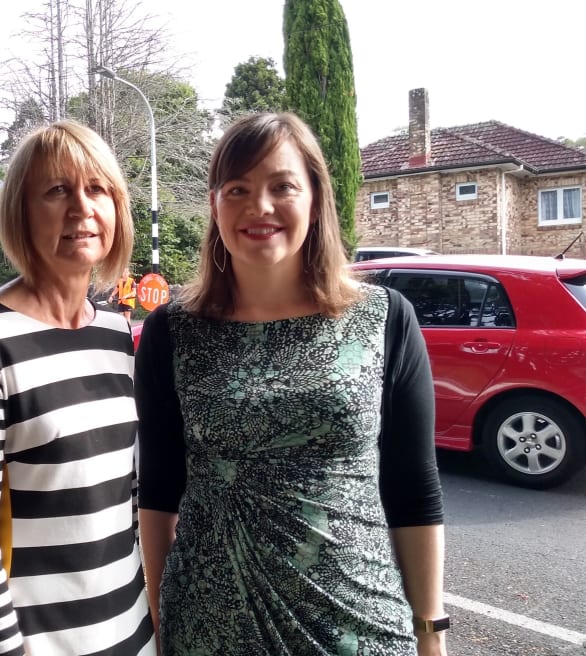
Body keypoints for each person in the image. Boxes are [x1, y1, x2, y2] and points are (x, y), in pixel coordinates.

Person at [134, 113, 447, 655]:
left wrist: (430, 632)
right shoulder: (172, 331)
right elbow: (158, 494)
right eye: (239, 189)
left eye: (283, 186)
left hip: (359, 626)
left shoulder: (386, 319)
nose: (260, 207)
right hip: (211, 628)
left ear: (315, 198)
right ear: (215, 204)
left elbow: (413, 488)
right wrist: (164, 628)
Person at [0, 120, 154, 655]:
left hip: (131, 632)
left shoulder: (115, 332)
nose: (82, 207)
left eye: (97, 188)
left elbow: (126, 501)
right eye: (57, 190)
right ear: (21, 213)